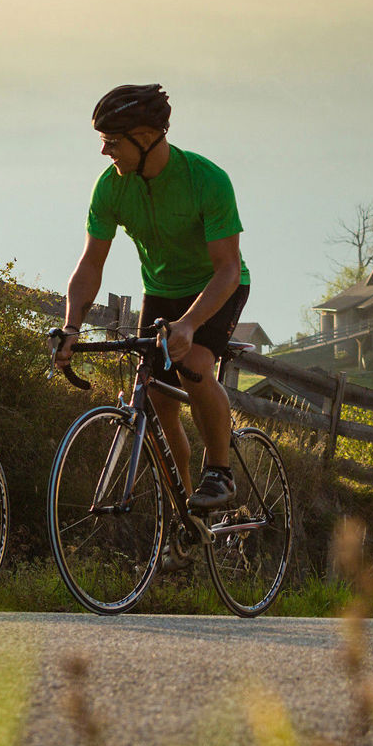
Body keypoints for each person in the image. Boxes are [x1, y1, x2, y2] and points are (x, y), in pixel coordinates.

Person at [55, 83, 251, 518]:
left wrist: (189, 325)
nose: (105, 152)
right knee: (156, 396)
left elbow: (228, 269)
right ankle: (185, 509)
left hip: (216, 285)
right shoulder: (111, 188)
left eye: (112, 141)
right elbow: (90, 264)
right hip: (161, 290)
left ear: (145, 138)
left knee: (196, 365)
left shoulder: (207, 180)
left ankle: (219, 472)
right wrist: (71, 326)